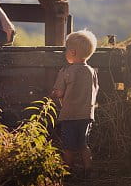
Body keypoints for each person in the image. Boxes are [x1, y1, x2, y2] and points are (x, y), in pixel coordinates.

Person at [51, 30, 99, 178]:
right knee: (83, 145)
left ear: (72, 52)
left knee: (68, 147)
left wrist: (53, 94)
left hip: (69, 115)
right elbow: (96, 89)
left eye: (66, 49)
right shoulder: (91, 71)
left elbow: (59, 92)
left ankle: (67, 171)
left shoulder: (66, 71)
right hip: (86, 115)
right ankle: (88, 169)